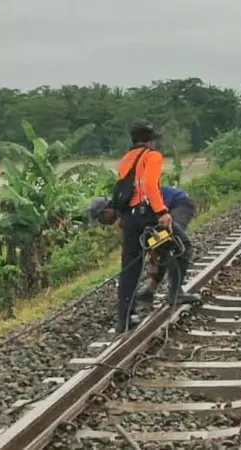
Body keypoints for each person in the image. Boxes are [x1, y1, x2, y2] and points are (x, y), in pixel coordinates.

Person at [89, 186, 199, 305]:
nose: (102, 223)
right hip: (160, 213)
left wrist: (152, 260)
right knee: (162, 247)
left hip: (178, 203)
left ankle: (175, 293)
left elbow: (147, 225)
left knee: (176, 245)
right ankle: (150, 291)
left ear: (106, 211)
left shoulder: (126, 208)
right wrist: (152, 258)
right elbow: (146, 238)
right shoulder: (123, 213)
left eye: (100, 219)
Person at [113, 121, 173, 333]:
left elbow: (123, 189)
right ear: (150, 140)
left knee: (129, 265)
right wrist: (162, 212)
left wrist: (121, 216)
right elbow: (148, 185)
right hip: (147, 218)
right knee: (172, 247)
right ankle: (169, 292)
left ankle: (124, 318)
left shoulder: (126, 158)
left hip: (129, 219)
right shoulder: (152, 156)